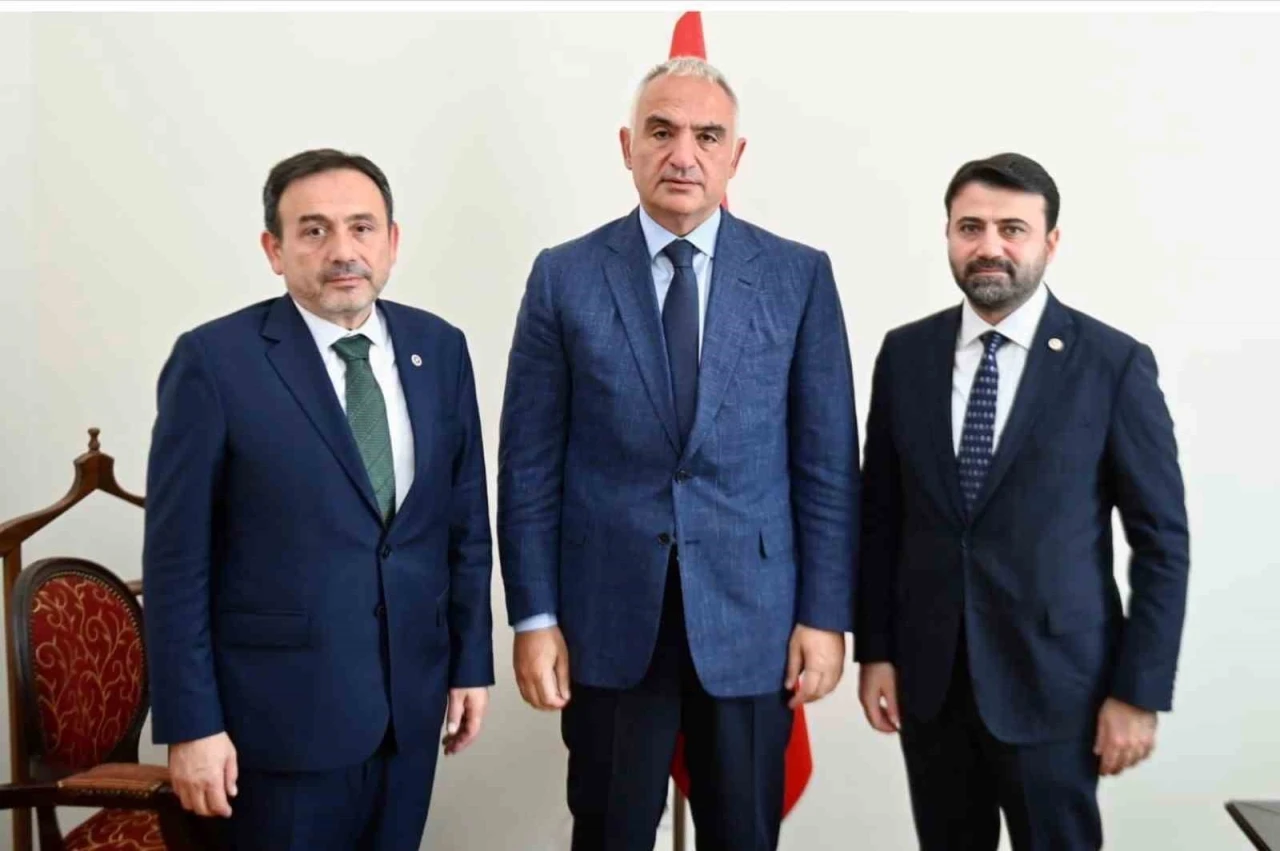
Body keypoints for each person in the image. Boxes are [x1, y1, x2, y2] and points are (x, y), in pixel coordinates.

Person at [497, 57, 859, 851]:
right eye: (661, 132)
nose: (683, 154)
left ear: (736, 155)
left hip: (754, 622)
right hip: (607, 619)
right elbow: (528, 467)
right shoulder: (563, 277)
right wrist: (534, 615)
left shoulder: (798, 277)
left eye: (707, 136)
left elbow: (828, 467)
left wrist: (825, 615)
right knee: (610, 834)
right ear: (627, 146)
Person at [142, 148, 494, 850]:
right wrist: (191, 723)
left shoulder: (440, 348)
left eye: (362, 227)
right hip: (275, 728)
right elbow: (177, 563)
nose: (342, 251)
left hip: (410, 710)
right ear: (274, 249)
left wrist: (469, 663)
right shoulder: (214, 362)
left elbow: (464, 524)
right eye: (313, 230)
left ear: (392, 242)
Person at [855, 152, 1191, 850]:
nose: (990, 246)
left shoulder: (1112, 364)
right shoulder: (906, 355)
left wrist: (1139, 691)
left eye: (1013, 229)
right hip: (931, 683)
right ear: (948, 234)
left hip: (1059, 689)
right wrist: (877, 651)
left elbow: (1163, 543)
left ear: (1051, 241)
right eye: (970, 227)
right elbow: (882, 517)